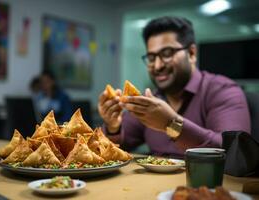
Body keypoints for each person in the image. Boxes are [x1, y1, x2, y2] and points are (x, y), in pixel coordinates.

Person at [98, 16, 251, 157]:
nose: (157, 66)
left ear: (191, 53)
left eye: (167, 53)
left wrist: (172, 124)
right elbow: (114, 149)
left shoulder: (223, 90)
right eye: (151, 57)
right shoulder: (152, 101)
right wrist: (113, 127)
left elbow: (235, 153)